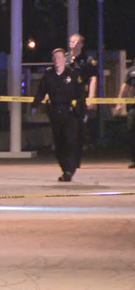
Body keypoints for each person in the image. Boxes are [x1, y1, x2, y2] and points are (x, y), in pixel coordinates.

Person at [32, 48, 85, 182]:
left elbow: (80, 94)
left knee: (70, 141)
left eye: (60, 57)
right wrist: (34, 106)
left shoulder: (72, 74)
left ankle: (70, 169)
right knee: (59, 143)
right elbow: (41, 92)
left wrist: (82, 111)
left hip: (69, 113)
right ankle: (65, 169)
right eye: (55, 57)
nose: (57, 60)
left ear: (64, 59)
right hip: (55, 113)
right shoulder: (49, 75)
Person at [66, 34, 99, 165]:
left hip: (80, 97)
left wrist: (91, 98)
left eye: (77, 42)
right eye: (72, 41)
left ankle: (75, 158)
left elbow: (93, 79)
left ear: (81, 44)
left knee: (77, 128)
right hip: (65, 97)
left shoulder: (88, 60)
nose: (73, 44)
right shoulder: (64, 59)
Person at [115, 66, 135, 169]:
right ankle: (133, 159)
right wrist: (119, 102)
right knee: (132, 131)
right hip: (133, 107)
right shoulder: (131, 71)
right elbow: (125, 87)